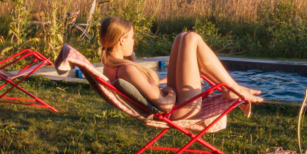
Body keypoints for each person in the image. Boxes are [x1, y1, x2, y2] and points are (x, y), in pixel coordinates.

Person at [99, 17, 263, 120]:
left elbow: (149, 86)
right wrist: (171, 90)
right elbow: (165, 106)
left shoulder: (112, 67)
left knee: (182, 37)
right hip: (180, 110)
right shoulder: (127, 71)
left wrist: (133, 63)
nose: (133, 41)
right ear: (121, 40)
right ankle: (233, 87)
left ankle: (231, 88)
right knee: (192, 38)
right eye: (132, 37)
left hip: (175, 104)